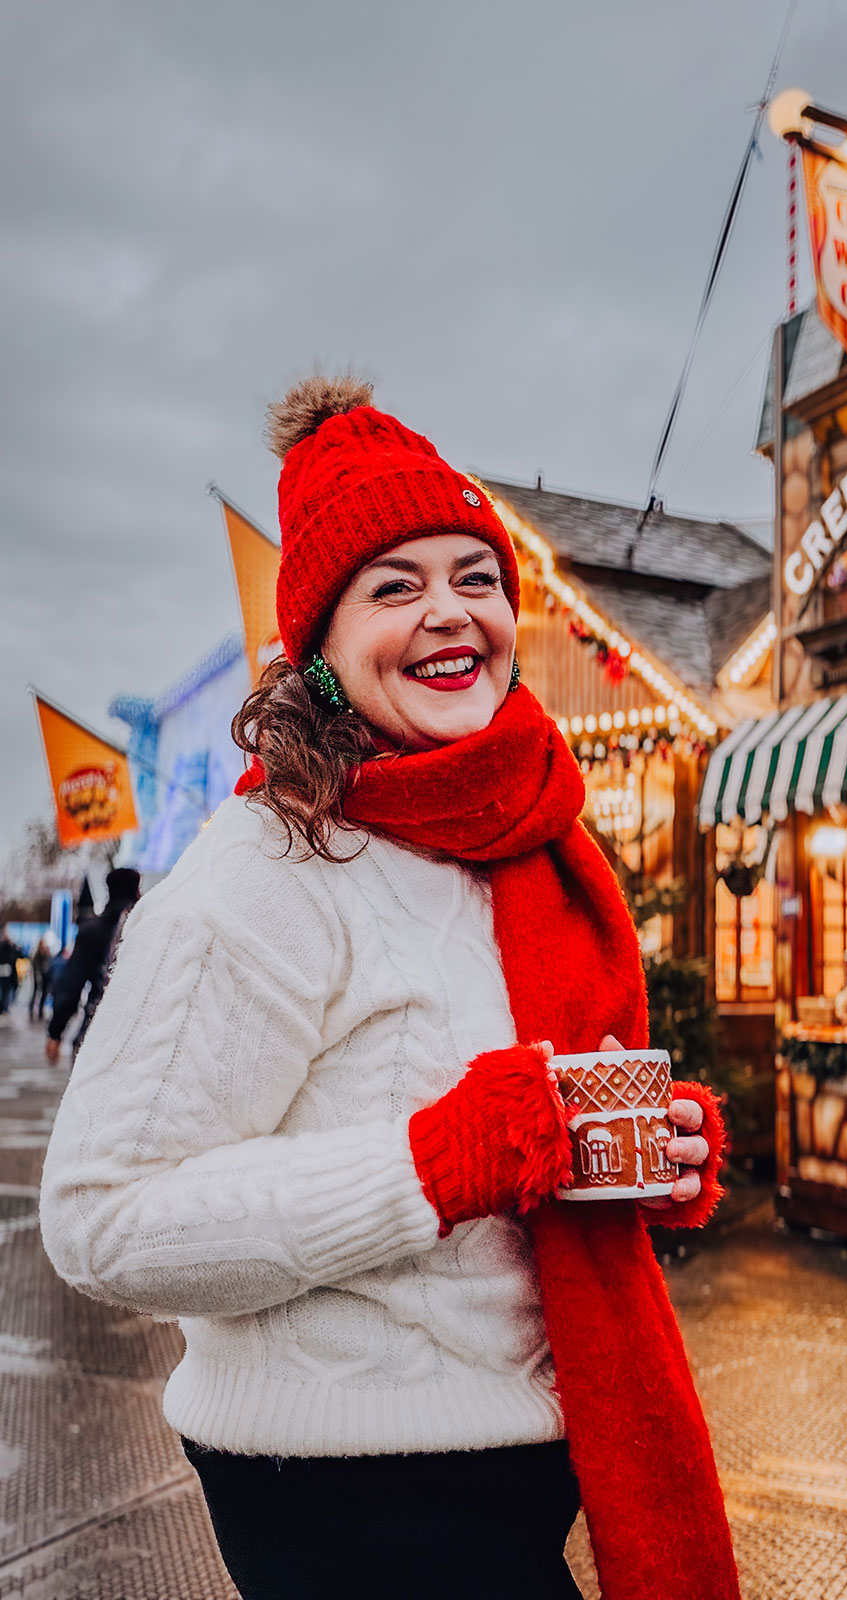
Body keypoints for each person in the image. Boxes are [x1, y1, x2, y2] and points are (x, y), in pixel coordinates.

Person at [39, 377, 741, 1600]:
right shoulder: (266, 870)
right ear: (319, 646)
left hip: (527, 1465)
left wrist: (637, 1156)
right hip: (343, 1494)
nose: (449, 612)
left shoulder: (516, 840)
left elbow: (533, 1138)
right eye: (395, 585)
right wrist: (444, 1157)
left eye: (475, 575)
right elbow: (99, 1219)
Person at [44, 869, 141, 1062]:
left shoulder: (92, 930)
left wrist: (55, 1032)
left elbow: (72, 984)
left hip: (98, 1025)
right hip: (138, 1030)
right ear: (136, 890)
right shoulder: (146, 927)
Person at [28, 938, 52, 1021]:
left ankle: (40, 1012)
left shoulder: (46, 954)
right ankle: (31, 1011)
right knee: (35, 994)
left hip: (45, 977)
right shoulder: (37, 954)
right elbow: (36, 967)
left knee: (43, 994)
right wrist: (38, 976)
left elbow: (49, 964)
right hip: (38, 977)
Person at [0, 930, 20, 1015]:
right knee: (5, 991)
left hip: (7, 971)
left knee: (5, 991)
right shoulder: (7, 946)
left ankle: (3, 1007)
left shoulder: (7, 946)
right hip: (6, 971)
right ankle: (3, 1007)